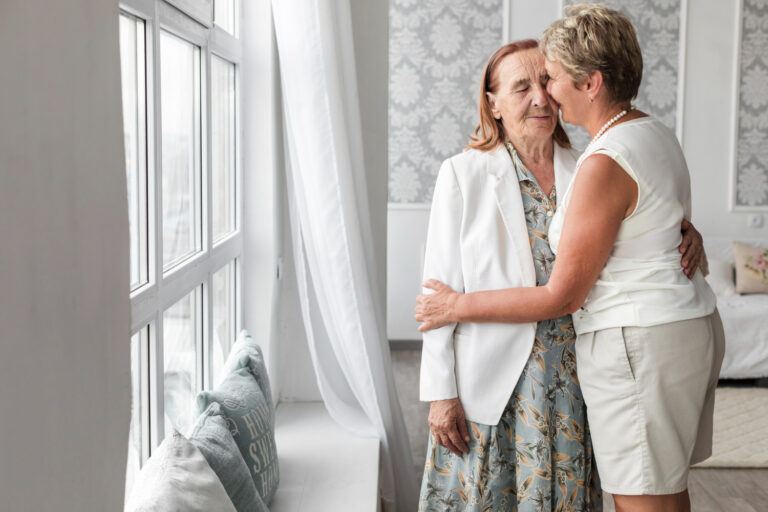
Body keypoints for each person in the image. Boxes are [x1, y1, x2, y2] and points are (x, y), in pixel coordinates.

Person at [416, 5, 724, 512]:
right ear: (492, 104)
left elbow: (634, 227)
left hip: (578, 372)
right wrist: (440, 393)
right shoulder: (464, 175)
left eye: (547, 79)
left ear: (586, 84)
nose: (542, 96)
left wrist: (689, 235)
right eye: (522, 88)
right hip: (495, 380)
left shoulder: (592, 164)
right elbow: (437, 291)